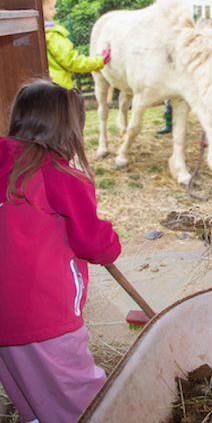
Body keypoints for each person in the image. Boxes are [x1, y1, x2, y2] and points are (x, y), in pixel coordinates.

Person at [0, 79, 122, 423]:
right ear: (70, 129)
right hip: (44, 316)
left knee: (32, 397)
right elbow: (96, 245)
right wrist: (111, 238)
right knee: (84, 404)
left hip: (3, 321)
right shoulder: (60, 176)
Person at [41, 0, 110, 90]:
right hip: (58, 91)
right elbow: (72, 61)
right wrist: (99, 61)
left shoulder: (36, 34)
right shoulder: (52, 34)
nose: (54, 11)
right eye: (51, 8)